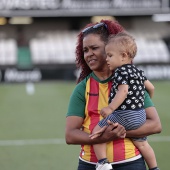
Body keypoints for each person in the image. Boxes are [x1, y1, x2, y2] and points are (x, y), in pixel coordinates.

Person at [65, 19, 162, 170]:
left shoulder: (130, 82)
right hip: (90, 165)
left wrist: (116, 133)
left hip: (131, 163)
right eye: (85, 50)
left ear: (110, 49)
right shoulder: (82, 88)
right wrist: (105, 136)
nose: (89, 54)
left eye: (94, 48)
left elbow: (155, 125)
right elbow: (70, 135)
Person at [89, 31, 159, 170]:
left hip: (125, 114)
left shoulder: (120, 71)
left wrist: (110, 108)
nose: (107, 59)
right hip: (140, 116)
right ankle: (154, 168)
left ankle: (103, 162)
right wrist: (143, 101)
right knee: (142, 143)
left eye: (110, 55)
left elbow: (123, 91)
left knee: (97, 131)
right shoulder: (137, 71)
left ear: (124, 56)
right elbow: (151, 88)